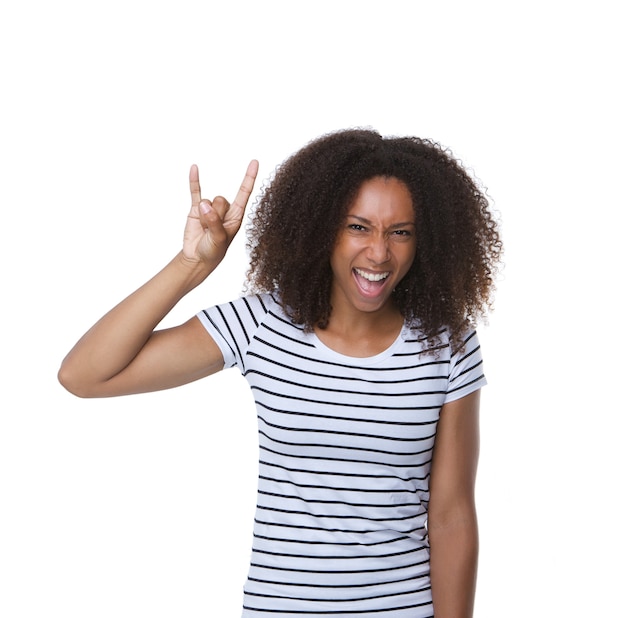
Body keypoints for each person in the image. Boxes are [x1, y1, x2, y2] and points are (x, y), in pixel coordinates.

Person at [59, 128, 502, 618]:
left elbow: (452, 516)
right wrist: (190, 266)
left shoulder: (447, 344)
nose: (379, 252)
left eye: (400, 232)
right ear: (321, 227)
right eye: (358, 227)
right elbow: (84, 375)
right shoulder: (262, 323)